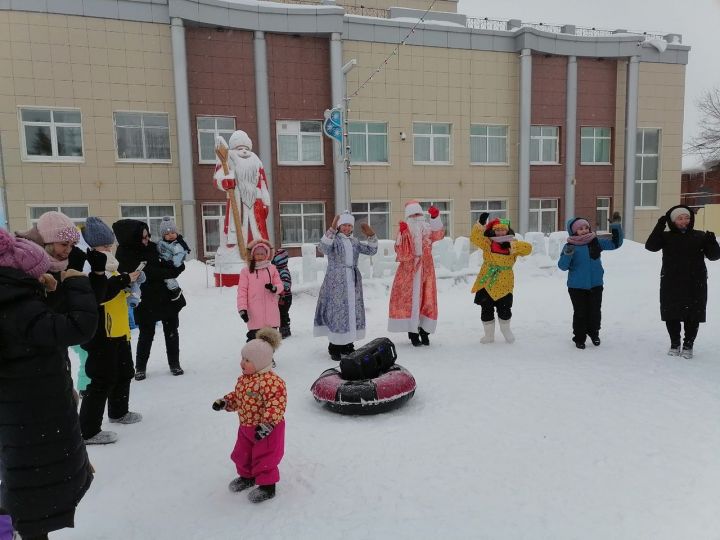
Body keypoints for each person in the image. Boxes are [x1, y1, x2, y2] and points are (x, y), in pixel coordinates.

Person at [0, 228, 97, 539]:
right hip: (34, 414)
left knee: (22, 479)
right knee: (33, 490)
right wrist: (78, 284)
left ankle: (12, 526)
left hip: (21, 412)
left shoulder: (13, 304)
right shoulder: (18, 307)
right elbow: (78, 327)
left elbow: (38, 332)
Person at [78, 217, 143, 445]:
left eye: (109, 245)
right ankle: (88, 430)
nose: (108, 249)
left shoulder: (109, 264)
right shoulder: (89, 267)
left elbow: (114, 289)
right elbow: (100, 294)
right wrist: (124, 279)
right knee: (101, 379)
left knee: (125, 371)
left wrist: (130, 284)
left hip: (119, 328)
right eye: (103, 246)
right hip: (102, 332)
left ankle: (118, 412)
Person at [212, 328, 286, 503]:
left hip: (266, 430)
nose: (242, 363)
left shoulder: (272, 383)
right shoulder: (245, 379)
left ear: (260, 362)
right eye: (242, 359)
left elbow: (276, 405)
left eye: (247, 360)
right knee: (242, 453)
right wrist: (225, 402)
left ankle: (268, 486)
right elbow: (239, 397)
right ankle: (247, 476)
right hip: (246, 426)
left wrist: (267, 424)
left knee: (265, 457)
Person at [113, 219, 186, 379]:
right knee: (146, 333)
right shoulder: (124, 254)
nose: (148, 240)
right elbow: (148, 272)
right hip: (145, 300)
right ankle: (140, 367)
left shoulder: (154, 248)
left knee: (171, 330)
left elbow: (171, 265)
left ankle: (174, 363)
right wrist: (166, 272)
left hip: (166, 296)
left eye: (148, 236)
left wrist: (177, 266)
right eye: (144, 237)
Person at [644, 205, 720, 358]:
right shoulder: (666, 237)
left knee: (693, 315)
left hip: (695, 282)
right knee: (671, 313)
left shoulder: (700, 236)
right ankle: (675, 343)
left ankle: (688, 345)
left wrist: (713, 243)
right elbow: (650, 246)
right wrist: (660, 225)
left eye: (687, 218)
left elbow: (714, 256)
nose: (684, 221)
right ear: (673, 221)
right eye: (680, 218)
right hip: (671, 282)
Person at [314, 212, 378, 360]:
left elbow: (371, 250)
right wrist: (331, 229)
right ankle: (335, 347)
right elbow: (322, 248)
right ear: (339, 226)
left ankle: (348, 344)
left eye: (349, 225)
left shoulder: (355, 241)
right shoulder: (334, 240)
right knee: (338, 310)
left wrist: (372, 236)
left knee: (351, 311)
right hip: (337, 280)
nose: (346, 228)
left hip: (352, 279)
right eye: (344, 225)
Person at [558, 214, 623, 349]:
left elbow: (615, 243)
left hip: (596, 284)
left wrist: (616, 226)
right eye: (580, 228)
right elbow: (562, 266)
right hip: (577, 286)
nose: (584, 230)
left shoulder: (596, 241)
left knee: (595, 311)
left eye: (586, 227)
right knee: (580, 312)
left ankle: (594, 333)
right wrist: (568, 254)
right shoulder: (570, 246)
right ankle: (579, 337)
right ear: (573, 231)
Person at [388, 201, 445, 346]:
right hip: (409, 269)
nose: (416, 216)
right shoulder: (405, 228)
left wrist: (435, 218)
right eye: (412, 214)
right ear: (408, 216)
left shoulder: (427, 227)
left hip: (426, 268)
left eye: (418, 213)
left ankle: (424, 331)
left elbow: (438, 235)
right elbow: (399, 249)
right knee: (411, 300)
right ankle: (413, 333)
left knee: (427, 300)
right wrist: (403, 234)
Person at [470, 214, 532, 344]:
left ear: (507, 230)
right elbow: (475, 238)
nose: (500, 232)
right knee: (486, 308)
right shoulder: (487, 242)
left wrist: (511, 247)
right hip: (487, 281)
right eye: (497, 230)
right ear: (493, 231)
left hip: (505, 281)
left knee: (504, 308)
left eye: (502, 229)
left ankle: (506, 330)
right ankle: (489, 335)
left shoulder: (513, 243)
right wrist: (481, 223)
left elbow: (528, 249)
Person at [213, 130, 271, 247]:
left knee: (258, 231)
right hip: (237, 201)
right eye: (239, 148)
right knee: (237, 227)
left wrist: (266, 201)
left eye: (246, 148)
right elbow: (218, 177)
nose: (244, 151)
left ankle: (260, 252)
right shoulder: (228, 158)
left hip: (256, 202)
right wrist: (225, 180)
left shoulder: (256, 160)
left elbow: (263, 182)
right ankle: (239, 250)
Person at [237, 239, 283, 342]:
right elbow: (242, 291)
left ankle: (268, 357)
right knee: (254, 338)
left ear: (267, 254)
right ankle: (253, 357)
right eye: (257, 254)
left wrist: (274, 288)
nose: (260, 256)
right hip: (254, 311)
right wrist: (242, 309)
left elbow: (280, 285)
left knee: (271, 339)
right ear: (253, 254)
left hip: (271, 310)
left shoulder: (272, 269)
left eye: (262, 254)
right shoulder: (246, 271)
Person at [156, 216, 190, 301]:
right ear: (163, 236)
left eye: (172, 232)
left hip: (171, 264)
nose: (170, 235)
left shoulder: (178, 245)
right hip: (164, 263)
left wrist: (171, 263)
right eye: (167, 234)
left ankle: (175, 289)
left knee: (168, 278)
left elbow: (179, 256)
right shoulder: (162, 243)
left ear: (176, 232)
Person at [271, 248, 293, 338]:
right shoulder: (279, 270)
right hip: (282, 297)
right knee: (280, 313)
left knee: (283, 314)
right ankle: (283, 329)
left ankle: (285, 331)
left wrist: (279, 288)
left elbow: (286, 284)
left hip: (285, 297)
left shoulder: (283, 271)